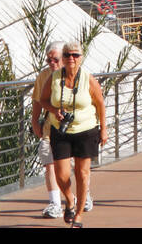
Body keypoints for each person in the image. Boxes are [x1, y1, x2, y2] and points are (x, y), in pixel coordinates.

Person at [40, 39, 108, 227]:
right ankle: (70, 199)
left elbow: (100, 103)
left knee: (82, 173)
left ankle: (78, 215)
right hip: (60, 131)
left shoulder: (88, 78)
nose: (71, 58)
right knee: (61, 175)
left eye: (75, 55)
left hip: (86, 130)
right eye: (67, 55)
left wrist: (104, 129)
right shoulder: (54, 78)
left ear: (81, 58)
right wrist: (54, 111)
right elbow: (42, 100)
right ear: (63, 57)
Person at [30, 42, 91, 218]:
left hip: (79, 128)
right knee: (50, 163)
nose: (52, 63)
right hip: (53, 129)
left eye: (55, 59)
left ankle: (83, 195)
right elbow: (37, 100)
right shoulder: (44, 76)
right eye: (48, 60)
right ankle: (56, 203)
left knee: (80, 165)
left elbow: (95, 101)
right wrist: (35, 121)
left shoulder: (81, 76)